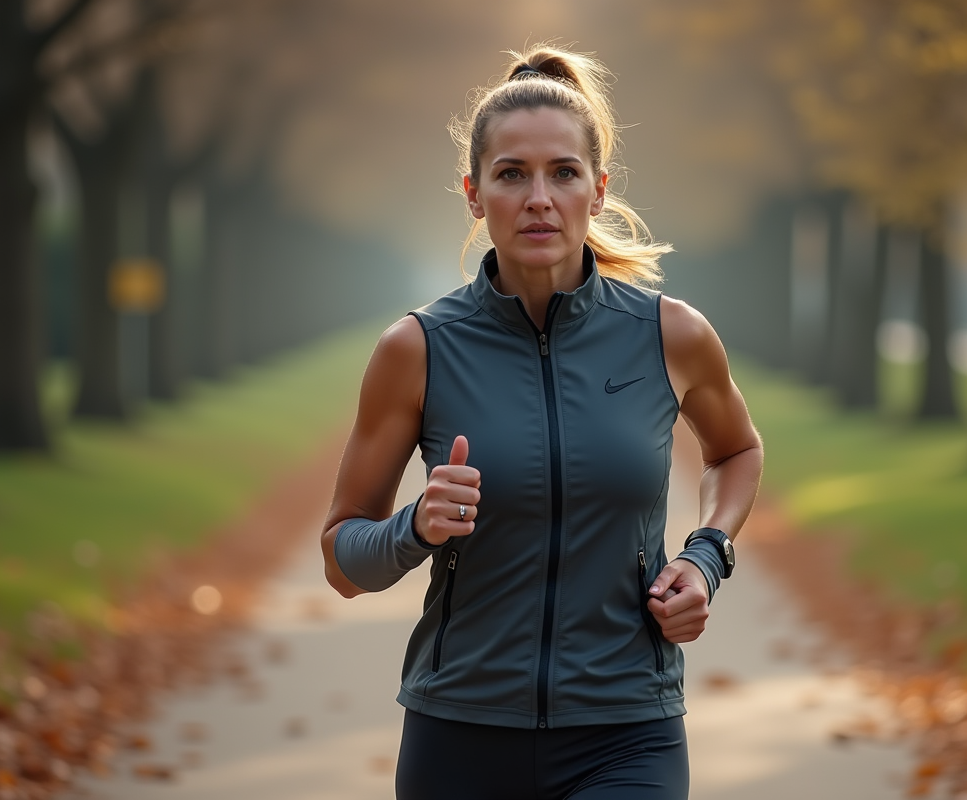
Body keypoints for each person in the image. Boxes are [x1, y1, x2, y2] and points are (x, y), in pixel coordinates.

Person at [320, 43, 763, 800]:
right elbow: (341, 558)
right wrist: (415, 528)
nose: (539, 198)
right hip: (460, 733)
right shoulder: (417, 349)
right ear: (472, 192)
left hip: (626, 730)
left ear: (598, 189)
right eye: (512, 174)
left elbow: (736, 451)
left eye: (563, 172)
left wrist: (706, 556)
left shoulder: (671, 333)